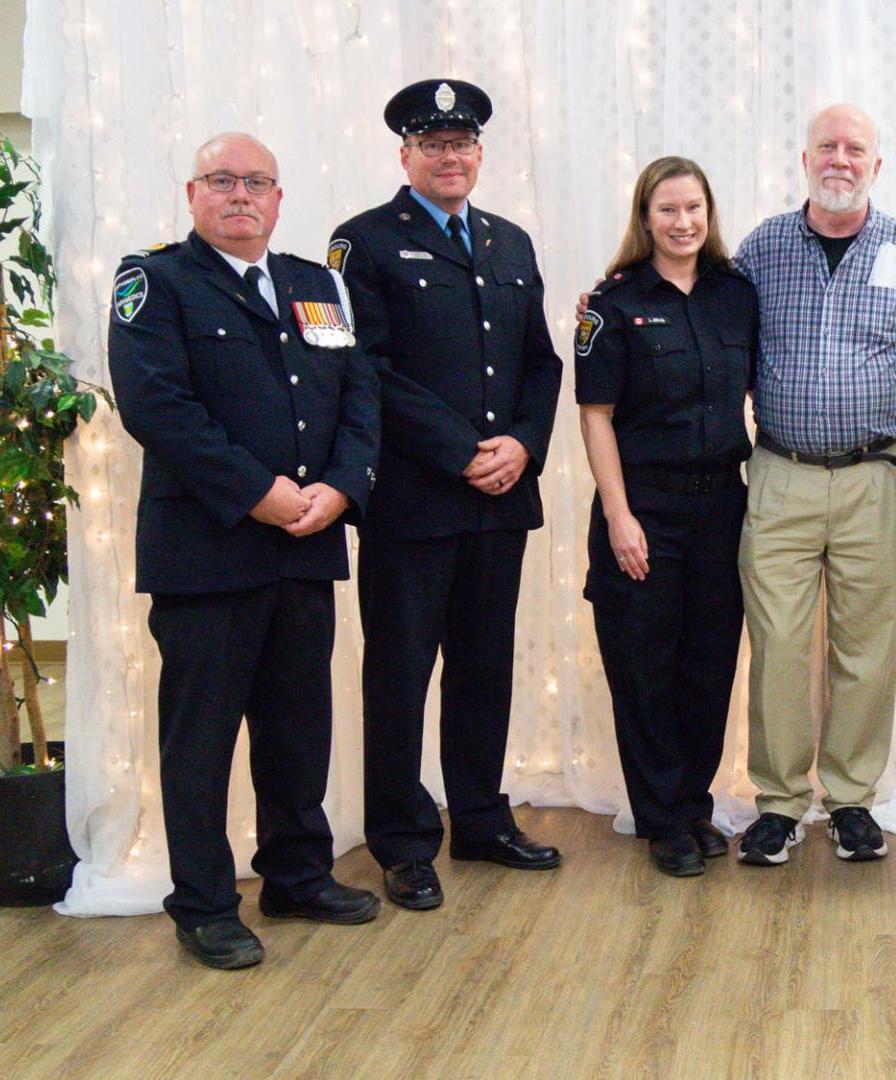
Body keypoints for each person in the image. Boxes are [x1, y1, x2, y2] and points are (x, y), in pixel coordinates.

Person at [108, 132, 381, 969]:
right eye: (222, 181)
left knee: (299, 728)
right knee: (201, 742)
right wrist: (257, 490)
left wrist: (342, 488)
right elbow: (155, 406)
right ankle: (203, 905)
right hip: (208, 551)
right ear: (193, 194)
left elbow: (358, 394)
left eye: (256, 182)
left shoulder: (315, 285)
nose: (240, 195)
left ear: (278, 198)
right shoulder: (155, 281)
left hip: (305, 543)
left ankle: (296, 876)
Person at [329, 79, 563, 912]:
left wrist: (523, 444)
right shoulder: (362, 243)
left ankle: (482, 819)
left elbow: (541, 363)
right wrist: (462, 451)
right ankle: (401, 840)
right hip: (415, 502)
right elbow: (365, 368)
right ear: (406, 155)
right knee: (400, 674)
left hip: (501, 495)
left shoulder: (511, 243)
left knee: (484, 667)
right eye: (432, 144)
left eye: (461, 144)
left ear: (479, 153)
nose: (449, 156)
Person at [731, 104, 896, 866]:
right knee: (779, 645)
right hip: (780, 474)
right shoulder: (760, 250)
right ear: (805, 159)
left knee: (866, 646)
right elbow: (712, 332)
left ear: (875, 166)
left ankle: (851, 800)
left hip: (873, 477)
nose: (840, 160)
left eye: (856, 149)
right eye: (827, 146)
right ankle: (780, 804)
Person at [576, 157, 757, 877]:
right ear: (645, 218)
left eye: (694, 209)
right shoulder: (613, 304)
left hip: (722, 506)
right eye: (668, 210)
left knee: (708, 668)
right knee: (643, 669)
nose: (683, 223)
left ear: (709, 214)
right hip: (643, 506)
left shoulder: (736, 295)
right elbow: (596, 415)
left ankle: (692, 805)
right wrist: (618, 515)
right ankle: (660, 821)